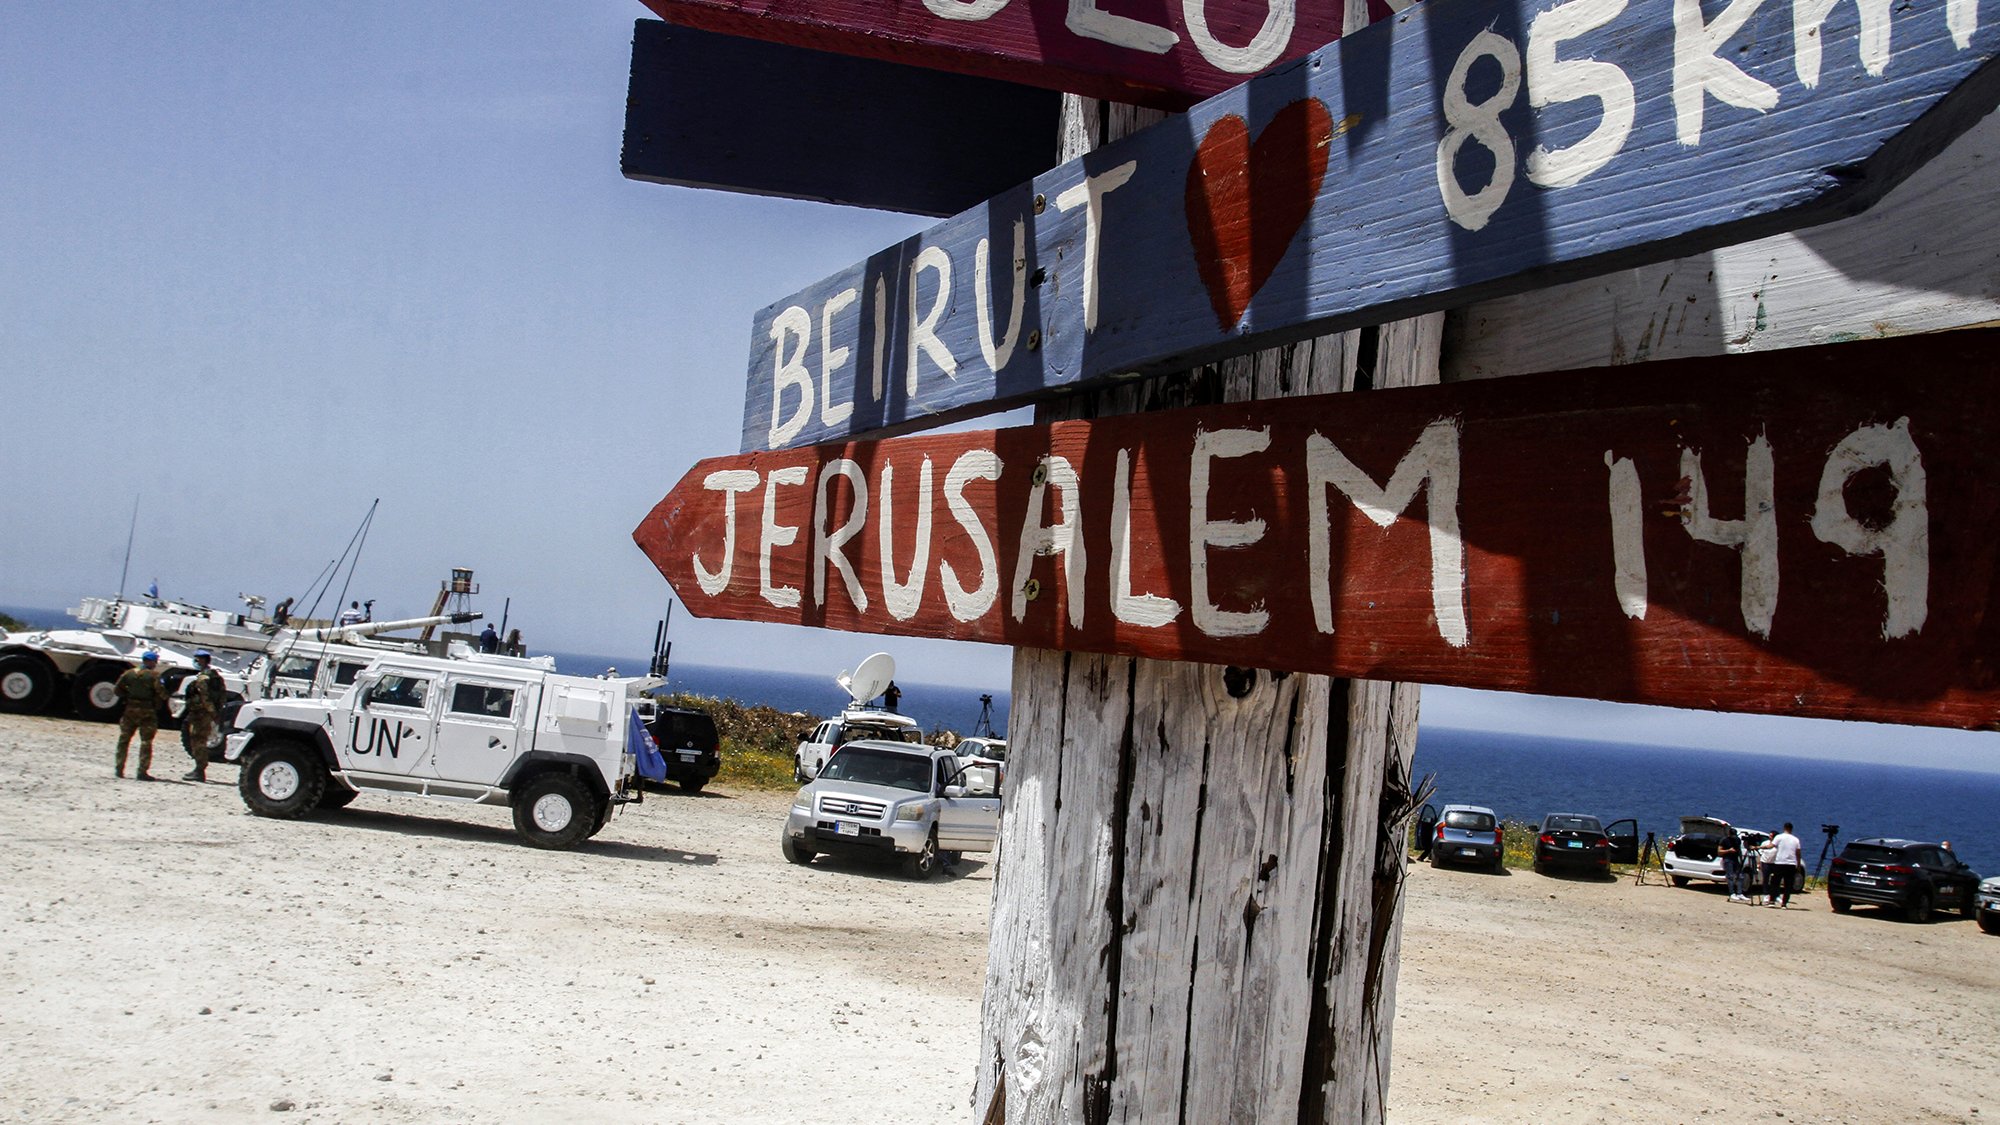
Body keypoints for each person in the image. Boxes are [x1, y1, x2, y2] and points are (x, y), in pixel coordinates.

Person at [113, 652, 167, 780]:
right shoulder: (154, 676)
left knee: (124, 739)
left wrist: (128, 695)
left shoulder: (129, 673)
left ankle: (119, 768)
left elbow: (117, 690)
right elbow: (162, 693)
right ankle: (142, 771)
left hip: (130, 710)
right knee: (146, 742)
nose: (155, 664)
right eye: (155, 661)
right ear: (150, 661)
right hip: (147, 711)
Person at [180, 650, 226, 782]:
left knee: (198, 741)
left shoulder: (203, 678)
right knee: (202, 740)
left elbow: (205, 698)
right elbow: (222, 695)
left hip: (201, 714)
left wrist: (212, 712)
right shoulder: (216, 676)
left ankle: (199, 770)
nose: (196, 661)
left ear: (204, 660)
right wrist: (217, 712)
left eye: (199, 659)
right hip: (209, 713)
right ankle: (199, 769)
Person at [1764, 823, 1803, 907]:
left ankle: (1772, 901)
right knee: (1788, 884)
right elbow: (1798, 853)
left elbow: (1771, 846)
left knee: (1775, 882)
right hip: (1791, 864)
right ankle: (1784, 903)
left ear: (1784, 828)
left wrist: (1759, 847)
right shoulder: (1796, 839)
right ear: (1791, 829)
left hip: (1780, 863)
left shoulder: (1779, 837)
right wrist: (1798, 864)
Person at [1719, 831, 1749, 903]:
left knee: (1740, 876)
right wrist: (1728, 850)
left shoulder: (1737, 839)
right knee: (1730, 876)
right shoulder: (1724, 840)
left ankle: (1740, 893)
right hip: (1727, 859)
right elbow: (1719, 851)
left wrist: (1741, 858)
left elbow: (1739, 849)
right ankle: (1732, 893)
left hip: (1736, 859)